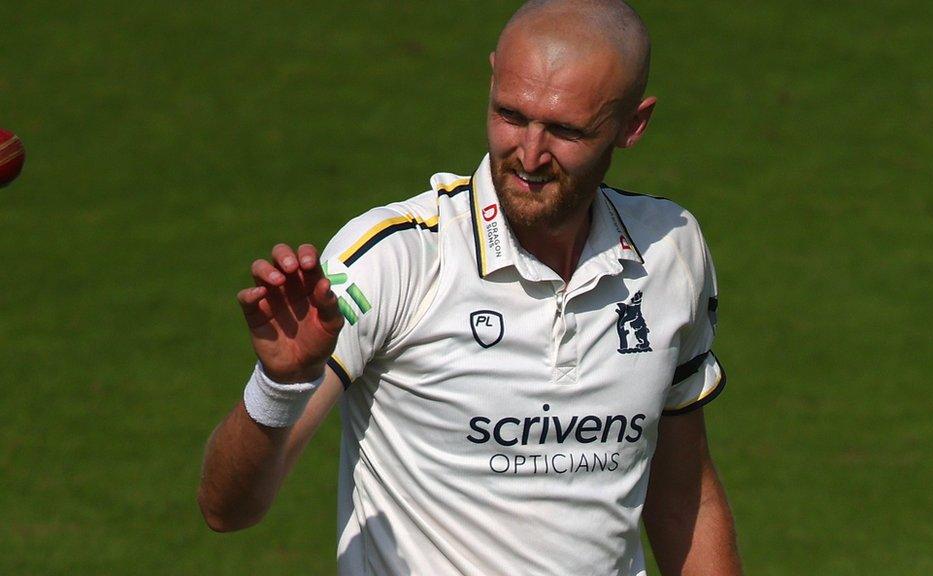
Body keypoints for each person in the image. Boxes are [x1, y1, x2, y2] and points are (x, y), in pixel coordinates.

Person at [198, 1, 743, 574]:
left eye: (565, 129)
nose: (529, 155)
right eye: (510, 114)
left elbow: (684, 496)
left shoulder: (669, 252)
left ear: (633, 125)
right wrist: (279, 386)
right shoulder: (395, 260)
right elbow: (226, 509)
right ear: (492, 80)